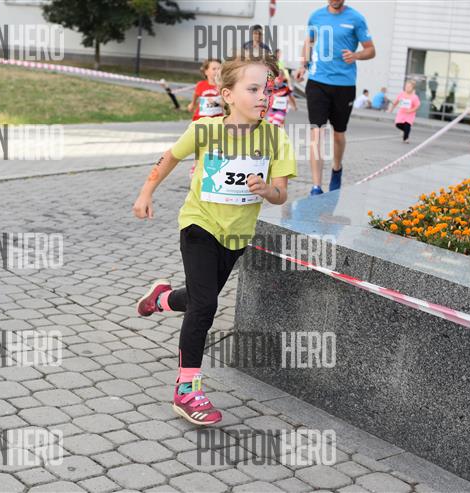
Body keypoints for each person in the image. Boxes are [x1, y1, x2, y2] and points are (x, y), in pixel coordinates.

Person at [132, 54, 297, 426]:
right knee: (205, 305)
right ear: (228, 95)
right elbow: (169, 157)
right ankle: (187, 390)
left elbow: (281, 194)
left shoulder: (276, 138)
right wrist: (146, 192)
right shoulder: (205, 129)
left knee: (197, 298)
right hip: (199, 224)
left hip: (236, 235)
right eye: (253, 89)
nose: (263, 96)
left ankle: (160, 299)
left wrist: (266, 189)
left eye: (266, 90)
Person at [294, 0, 375, 196]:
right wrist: (303, 65)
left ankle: (337, 168)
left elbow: (371, 50)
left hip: (344, 85)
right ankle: (316, 187)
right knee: (317, 132)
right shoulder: (316, 16)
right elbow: (309, 42)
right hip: (317, 81)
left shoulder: (356, 19)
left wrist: (356, 55)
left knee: (338, 134)